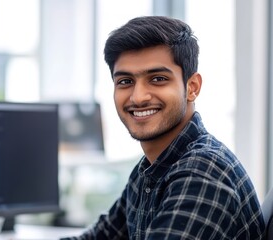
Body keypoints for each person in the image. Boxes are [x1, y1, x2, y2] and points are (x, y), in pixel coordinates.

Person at [62, 16, 266, 239]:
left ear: (192, 87)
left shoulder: (202, 172)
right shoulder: (150, 170)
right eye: (125, 81)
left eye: (158, 78)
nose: (138, 97)